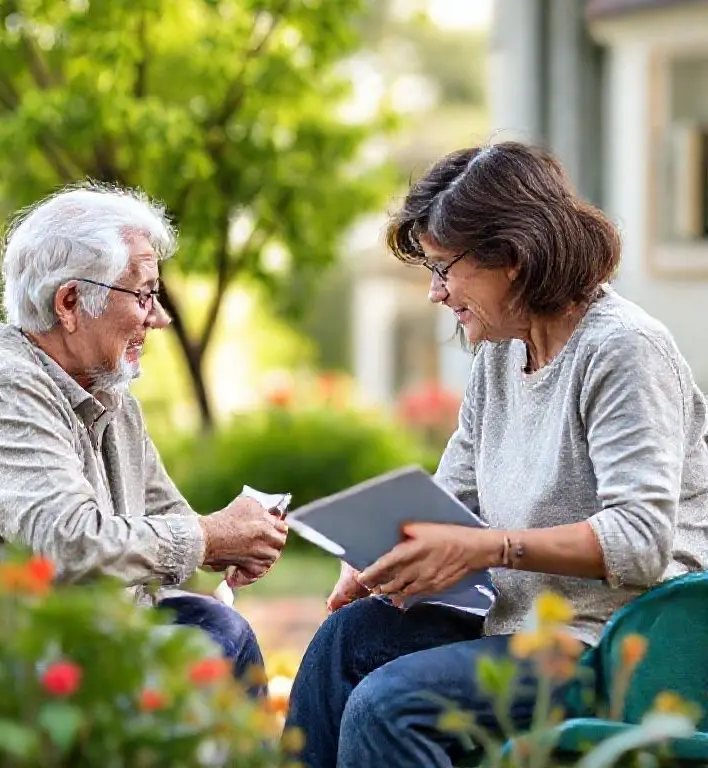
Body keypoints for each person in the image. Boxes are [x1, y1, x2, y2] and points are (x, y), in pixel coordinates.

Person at [284, 141, 708, 766]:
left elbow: (641, 542)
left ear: (511, 257)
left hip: (617, 644)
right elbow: (452, 500)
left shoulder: (623, 350)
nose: (435, 294)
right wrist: (382, 555)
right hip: (518, 626)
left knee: (388, 705)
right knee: (345, 641)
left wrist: (488, 547)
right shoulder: (501, 353)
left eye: (442, 268)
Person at [0, 184, 287, 692]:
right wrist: (211, 536)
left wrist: (237, 540)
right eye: (144, 295)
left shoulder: (109, 396)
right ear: (70, 303)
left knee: (219, 627)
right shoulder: (3, 393)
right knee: (216, 639)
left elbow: (167, 522)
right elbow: (72, 544)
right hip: (8, 669)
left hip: (82, 638)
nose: (160, 318)